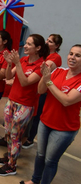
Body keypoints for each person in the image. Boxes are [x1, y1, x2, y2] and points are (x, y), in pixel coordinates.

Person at [20, 44, 81, 184]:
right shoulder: (59, 71)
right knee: (40, 155)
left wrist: (48, 81)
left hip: (64, 129)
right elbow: (41, 90)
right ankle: (35, 180)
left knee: (50, 160)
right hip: (45, 121)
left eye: (78, 55)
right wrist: (45, 77)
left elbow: (66, 101)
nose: (72, 57)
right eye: (71, 54)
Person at [0, 34, 49, 176]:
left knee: (15, 135)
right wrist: (10, 63)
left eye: (29, 44)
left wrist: (17, 63)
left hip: (25, 105)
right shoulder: (23, 60)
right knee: (8, 132)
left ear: (38, 48)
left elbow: (25, 82)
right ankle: (9, 157)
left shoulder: (41, 65)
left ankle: (12, 166)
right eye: (26, 43)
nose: (25, 46)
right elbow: (8, 76)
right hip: (12, 100)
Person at [23, 34, 63, 149]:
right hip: (35, 88)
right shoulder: (44, 55)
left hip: (44, 91)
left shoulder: (55, 57)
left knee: (37, 115)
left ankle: (30, 139)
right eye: (47, 40)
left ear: (57, 46)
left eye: (50, 42)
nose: (47, 42)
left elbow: (43, 68)